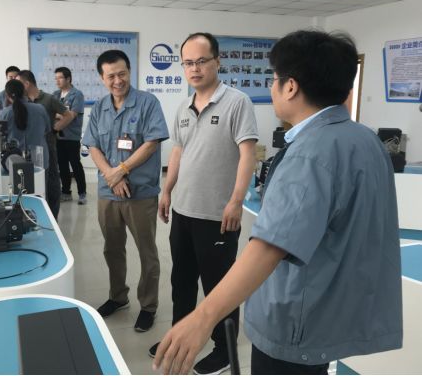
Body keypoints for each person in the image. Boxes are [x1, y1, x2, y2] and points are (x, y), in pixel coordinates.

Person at [153, 30, 403, 375]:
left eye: (274, 79)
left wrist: (203, 317)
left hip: (296, 321)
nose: (272, 87)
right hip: (333, 312)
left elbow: (270, 247)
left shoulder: (309, 155)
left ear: (290, 87)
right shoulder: (365, 140)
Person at [148, 32, 259, 375]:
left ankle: (224, 351)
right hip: (183, 211)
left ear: (217, 62)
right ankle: (179, 338)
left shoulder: (237, 102)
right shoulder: (183, 106)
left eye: (201, 61)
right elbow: (178, 152)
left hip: (217, 215)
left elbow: (248, 155)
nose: (194, 69)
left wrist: (236, 202)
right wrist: (167, 190)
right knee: (181, 283)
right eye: (188, 63)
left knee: (219, 288)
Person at [82, 49, 169, 332]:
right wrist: (112, 176)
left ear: (129, 72)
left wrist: (122, 170)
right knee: (112, 249)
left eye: (122, 74)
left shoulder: (147, 103)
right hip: (108, 194)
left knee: (147, 252)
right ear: (102, 78)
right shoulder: (99, 107)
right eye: (111, 76)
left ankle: (148, 305)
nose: (117, 81)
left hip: (140, 194)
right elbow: (92, 145)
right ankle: (118, 297)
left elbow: (151, 143)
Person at [16, 70, 69, 219]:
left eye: (19, 83)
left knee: (52, 184)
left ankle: (52, 218)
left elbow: (68, 115)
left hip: (48, 147)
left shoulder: (48, 99)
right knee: (33, 185)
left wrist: (55, 129)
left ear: (27, 83)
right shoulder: (22, 102)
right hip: (28, 150)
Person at [0, 79, 51, 173]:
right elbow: (47, 130)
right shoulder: (40, 109)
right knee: (40, 182)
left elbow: (1, 139)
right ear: (24, 92)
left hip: (14, 161)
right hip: (39, 160)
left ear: (7, 95)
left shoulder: (4, 114)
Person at [52, 66, 87, 205]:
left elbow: (72, 115)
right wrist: (61, 115)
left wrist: (58, 115)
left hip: (72, 137)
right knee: (62, 165)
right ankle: (66, 192)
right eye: (56, 78)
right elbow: (53, 113)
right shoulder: (55, 94)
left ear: (68, 79)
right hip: (58, 136)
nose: (57, 81)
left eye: (60, 78)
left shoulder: (77, 95)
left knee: (75, 165)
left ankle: (82, 193)